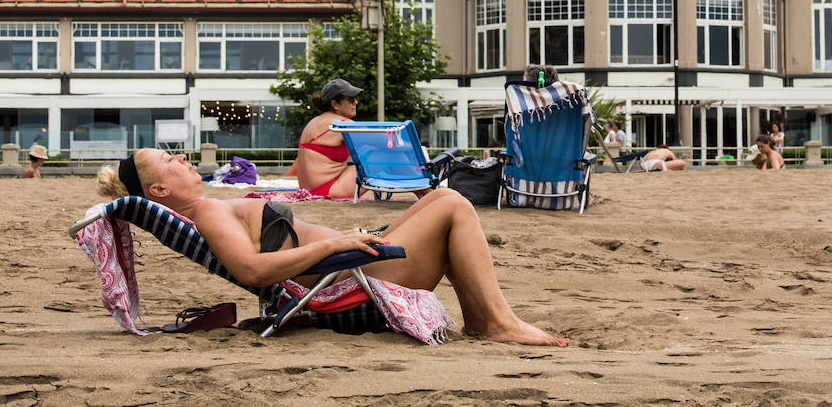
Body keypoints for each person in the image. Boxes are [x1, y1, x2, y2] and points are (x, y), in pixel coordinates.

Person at [99, 149, 567, 346]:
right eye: (168, 160)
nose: (180, 158)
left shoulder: (212, 207)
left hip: (349, 265)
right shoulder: (208, 212)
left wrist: (344, 242)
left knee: (442, 196)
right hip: (344, 281)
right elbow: (252, 271)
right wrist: (335, 245)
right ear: (158, 190)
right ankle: (499, 323)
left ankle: (486, 320)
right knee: (455, 206)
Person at [288, 78, 363, 198]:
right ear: (335, 104)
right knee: (376, 155)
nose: (356, 102)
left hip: (310, 191)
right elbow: (380, 143)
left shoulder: (313, 122)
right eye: (351, 99)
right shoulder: (342, 124)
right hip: (331, 189)